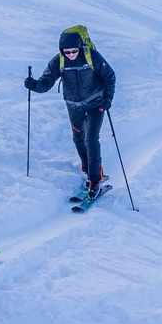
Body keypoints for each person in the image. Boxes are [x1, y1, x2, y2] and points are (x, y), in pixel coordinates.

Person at [25, 26, 117, 199]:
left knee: (91, 139)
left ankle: (95, 179)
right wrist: (34, 85)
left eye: (74, 51)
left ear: (80, 47)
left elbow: (109, 76)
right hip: (74, 106)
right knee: (78, 138)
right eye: (67, 52)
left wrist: (108, 98)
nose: (71, 55)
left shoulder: (92, 56)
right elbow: (46, 82)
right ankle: (89, 169)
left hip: (96, 104)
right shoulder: (58, 61)